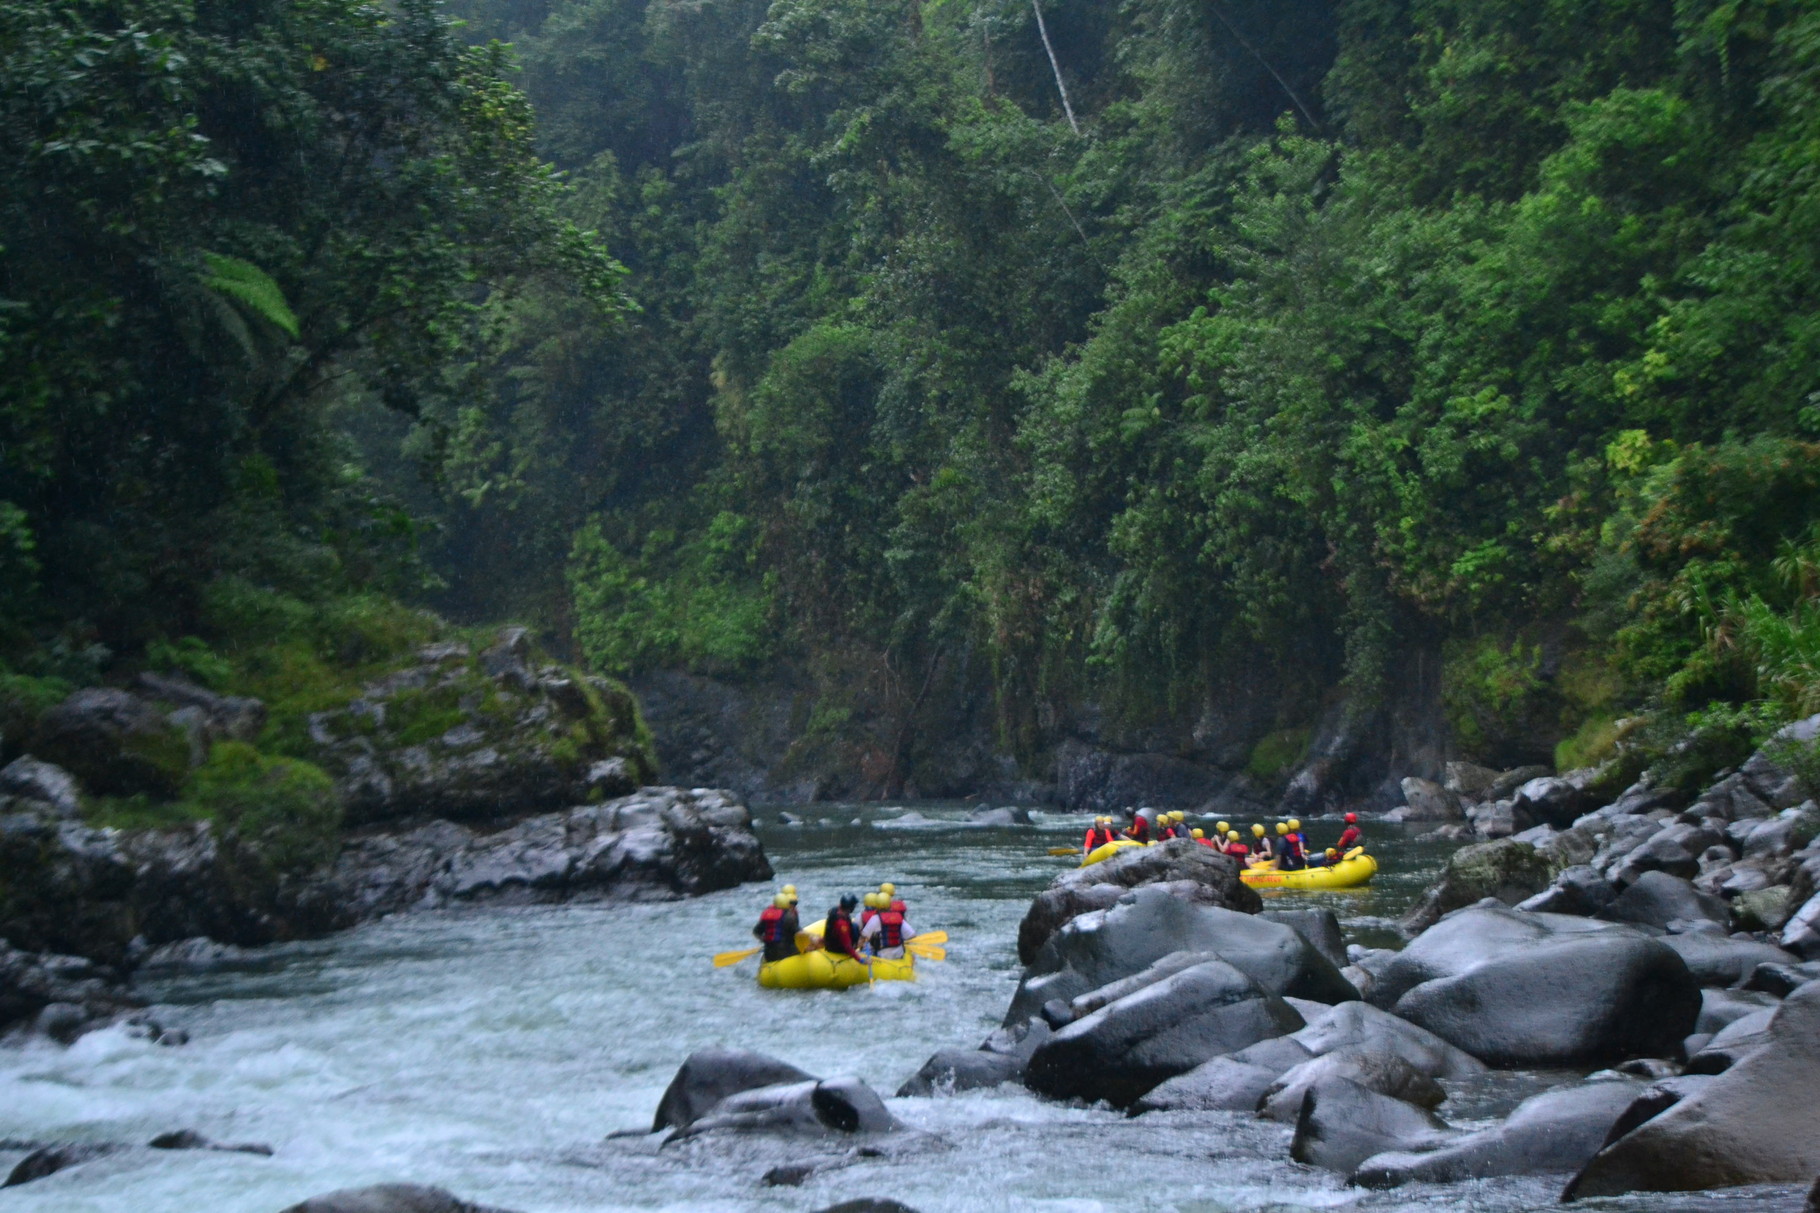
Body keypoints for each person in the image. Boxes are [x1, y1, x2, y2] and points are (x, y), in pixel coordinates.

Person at [860, 895, 916, 959]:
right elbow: (912, 934)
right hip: (898, 955)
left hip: (883, 956)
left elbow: (864, 937)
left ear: (877, 906)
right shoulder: (898, 917)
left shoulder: (875, 918)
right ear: (890, 905)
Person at [752, 891, 801, 962]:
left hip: (769, 954)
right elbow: (799, 933)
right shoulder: (789, 917)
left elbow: (756, 932)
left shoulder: (767, 916)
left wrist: (764, 940)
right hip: (785, 953)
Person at [823, 894, 865, 961]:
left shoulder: (837, 910)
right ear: (851, 907)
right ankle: (856, 949)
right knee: (854, 928)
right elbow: (847, 946)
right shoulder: (842, 924)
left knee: (854, 926)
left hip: (831, 944)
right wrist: (860, 959)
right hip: (836, 949)